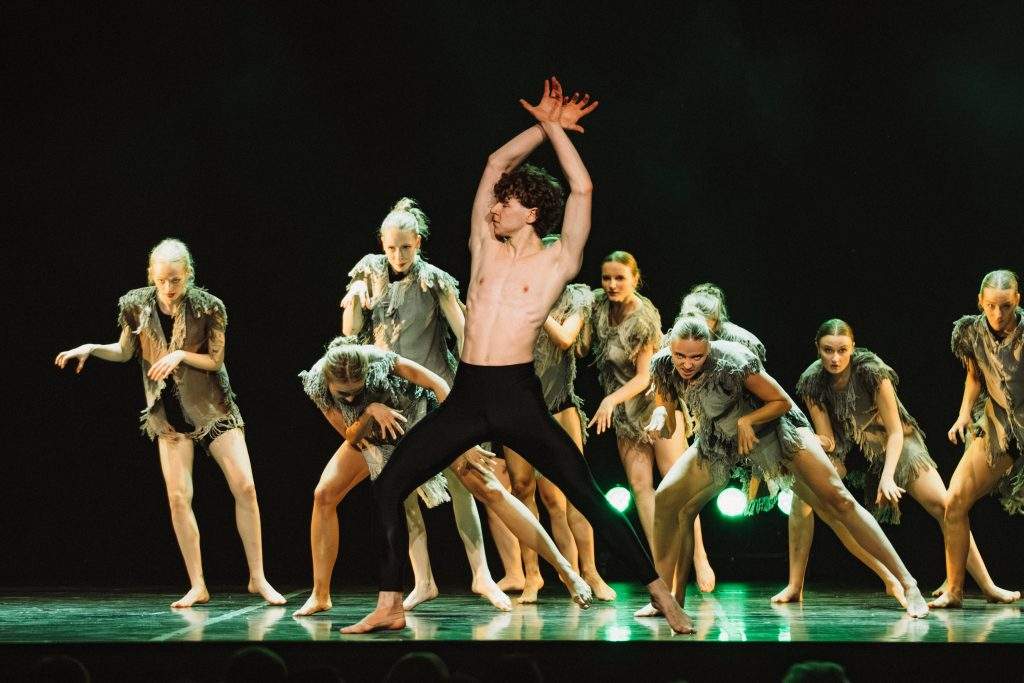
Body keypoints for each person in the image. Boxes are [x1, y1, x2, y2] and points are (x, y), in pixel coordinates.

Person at [342, 77, 691, 634]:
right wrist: (541, 126)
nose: (494, 208)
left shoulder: (558, 262)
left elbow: (581, 188)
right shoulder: (484, 245)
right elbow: (494, 163)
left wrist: (559, 132)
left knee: (586, 495)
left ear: (530, 213)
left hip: (517, 396)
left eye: (506, 203)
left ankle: (663, 597)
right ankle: (391, 604)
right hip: (469, 394)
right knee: (388, 485)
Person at [641, 316, 928, 623]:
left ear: (708, 348)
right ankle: (664, 599)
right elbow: (669, 425)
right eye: (680, 356)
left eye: (696, 357)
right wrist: (660, 416)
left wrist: (748, 421)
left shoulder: (734, 360)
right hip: (720, 440)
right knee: (666, 498)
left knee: (839, 502)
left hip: (777, 431)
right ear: (671, 349)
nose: (687, 364)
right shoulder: (664, 366)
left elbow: (781, 402)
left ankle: (908, 583)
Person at [55, 238, 285, 608]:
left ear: (188, 275)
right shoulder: (136, 306)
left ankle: (257, 577)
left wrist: (180, 354)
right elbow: (125, 351)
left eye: (176, 280)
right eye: (162, 280)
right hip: (167, 415)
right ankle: (198, 585)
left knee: (245, 487)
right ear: (151, 275)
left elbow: (215, 360)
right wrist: (91, 349)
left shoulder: (208, 307)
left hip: (211, 407)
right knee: (178, 498)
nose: (169, 287)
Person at [293, 339, 592, 617]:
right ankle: (321, 595)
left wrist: (462, 437)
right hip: (375, 433)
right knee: (324, 494)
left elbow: (437, 383)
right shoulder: (318, 382)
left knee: (490, 490)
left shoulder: (379, 359)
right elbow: (351, 436)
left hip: (423, 417)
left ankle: (567, 571)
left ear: (366, 374)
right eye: (343, 394)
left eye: (357, 392)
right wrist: (370, 409)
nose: (349, 397)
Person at [337, 197, 509, 610]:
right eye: (391, 248)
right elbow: (350, 332)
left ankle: (482, 575)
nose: (398, 256)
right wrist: (355, 296)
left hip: (435, 391)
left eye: (405, 247)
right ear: (381, 244)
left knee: (462, 480)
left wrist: (474, 384)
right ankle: (423, 580)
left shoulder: (433, 280)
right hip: (392, 398)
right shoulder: (368, 273)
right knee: (403, 489)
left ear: (418, 242)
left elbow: (464, 332)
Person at [772, 318, 1017, 605]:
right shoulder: (813, 381)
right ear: (817, 348)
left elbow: (895, 431)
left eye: (842, 350)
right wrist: (811, 442)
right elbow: (829, 439)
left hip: (895, 443)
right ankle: (795, 585)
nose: (835, 358)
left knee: (944, 505)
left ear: (853, 347)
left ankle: (987, 586)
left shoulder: (871, 371)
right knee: (803, 499)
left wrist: (888, 476)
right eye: (828, 350)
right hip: (850, 447)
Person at [589, 252, 715, 593]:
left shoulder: (642, 318)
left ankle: (699, 556)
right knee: (641, 487)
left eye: (620, 278)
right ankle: (661, 566)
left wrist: (610, 400)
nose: (612, 285)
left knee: (678, 483)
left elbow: (645, 376)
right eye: (606, 278)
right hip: (626, 412)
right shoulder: (600, 308)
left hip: (658, 400)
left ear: (635, 278)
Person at [502, 254, 615, 603]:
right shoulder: (517, 292)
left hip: (560, 406)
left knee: (570, 492)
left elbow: (567, 339)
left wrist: (537, 310)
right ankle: (532, 575)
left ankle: (588, 572)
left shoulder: (576, 296)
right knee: (522, 488)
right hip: (518, 405)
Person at [933, 269, 1024, 608]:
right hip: (998, 426)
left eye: (1006, 306)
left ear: (1018, 300)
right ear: (980, 303)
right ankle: (955, 591)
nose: (998, 314)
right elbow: (975, 375)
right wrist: (963, 414)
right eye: (991, 306)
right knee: (954, 502)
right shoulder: (971, 332)